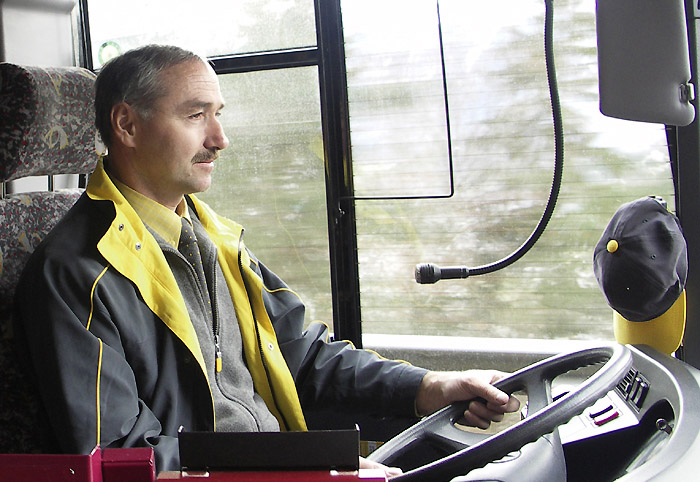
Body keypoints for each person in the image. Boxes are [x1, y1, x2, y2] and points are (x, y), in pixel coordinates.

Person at [14, 44, 519, 475]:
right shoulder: (78, 272)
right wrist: (299, 466)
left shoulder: (212, 236)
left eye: (218, 115)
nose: (219, 139)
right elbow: (122, 457)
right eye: (195, 116)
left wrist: (431, 385)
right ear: (127, 125)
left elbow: (302, 354)